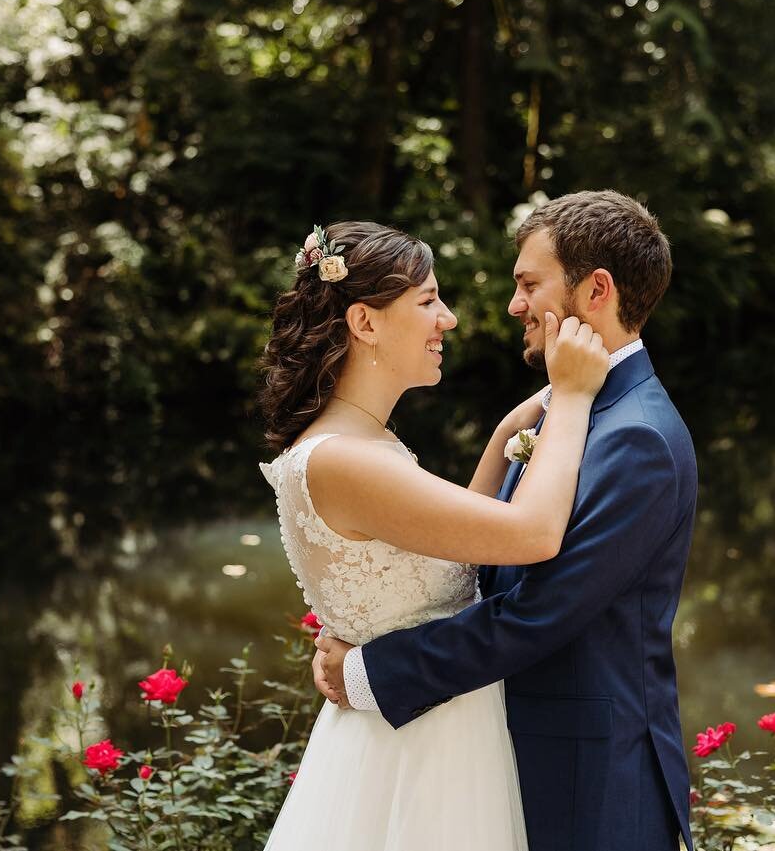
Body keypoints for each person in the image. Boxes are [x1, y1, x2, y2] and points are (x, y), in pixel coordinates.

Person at [315, 191, 698, 851]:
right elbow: (491, 565)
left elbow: (535, 615)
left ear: (595, 291)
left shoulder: (638, 439)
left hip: (590, 786)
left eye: (529, 284)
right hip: (510, 758)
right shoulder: (568, 409)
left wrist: (368, 671)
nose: (515, 304)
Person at [257, 220, 610, 851]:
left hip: (421, 718)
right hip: (418, 744)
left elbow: (450, 544)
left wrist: (510, 430)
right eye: (427, 301)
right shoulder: (348, 460)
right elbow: (530, 534)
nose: (446, 319)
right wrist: (576, 398)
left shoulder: (362, 442)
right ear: (364, 323)